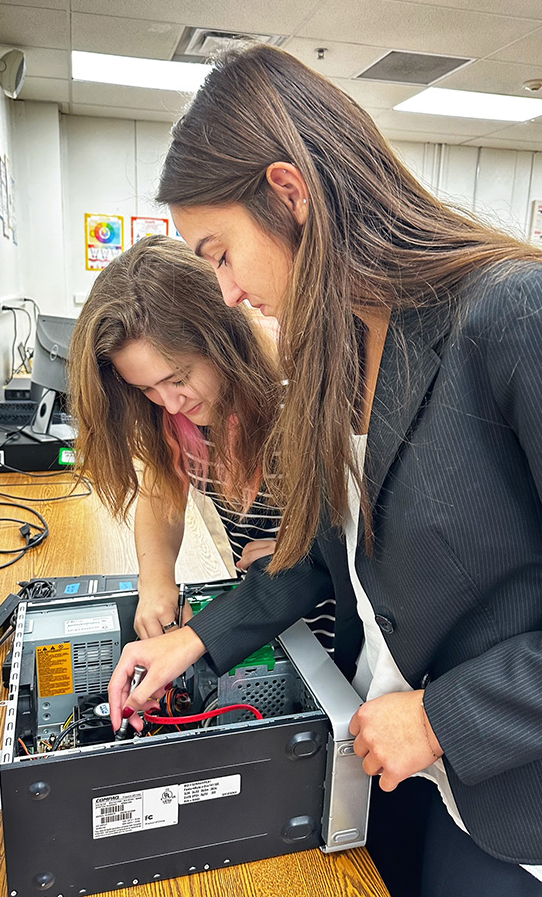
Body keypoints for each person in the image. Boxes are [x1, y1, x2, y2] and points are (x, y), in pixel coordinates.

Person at [108, 45, 542, 897]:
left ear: (290, 192)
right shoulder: (337, 348)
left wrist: (442, 718)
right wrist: (198, 640)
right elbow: (325, 553)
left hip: (505, 795)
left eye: (221, 252)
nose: (226, 293)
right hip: (391, 757)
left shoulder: (511, 313)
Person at [69, 235, 334, 648]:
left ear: (221, 340)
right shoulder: (174, 419)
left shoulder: (300, 402)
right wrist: (156, 581)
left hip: (333, 634)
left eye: (178, 378)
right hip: (254, 621)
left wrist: (310, 550)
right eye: (146, 389)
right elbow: (161, 491)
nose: (171, 404)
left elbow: (369, 535)